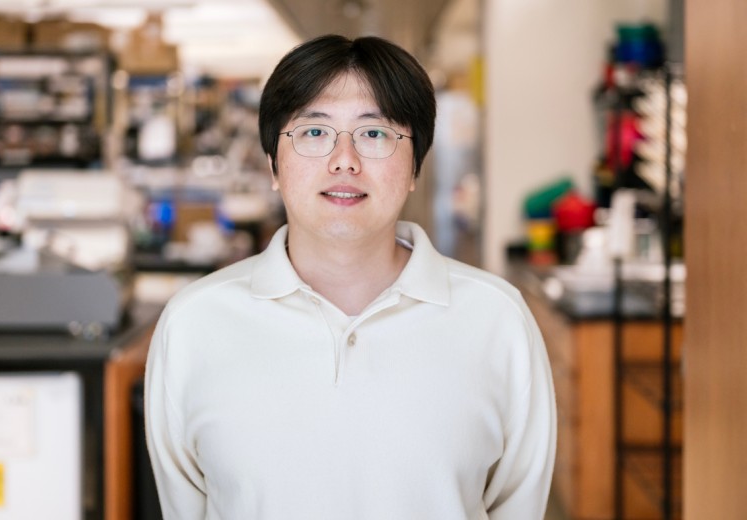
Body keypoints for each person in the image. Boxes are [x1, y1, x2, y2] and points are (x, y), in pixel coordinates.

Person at [145, 34, 556, 520]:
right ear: (273, 164)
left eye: (375, 134)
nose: (344, 160)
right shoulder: (194, 323)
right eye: (314, 132)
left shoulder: (497, 321)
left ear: (415, 167)